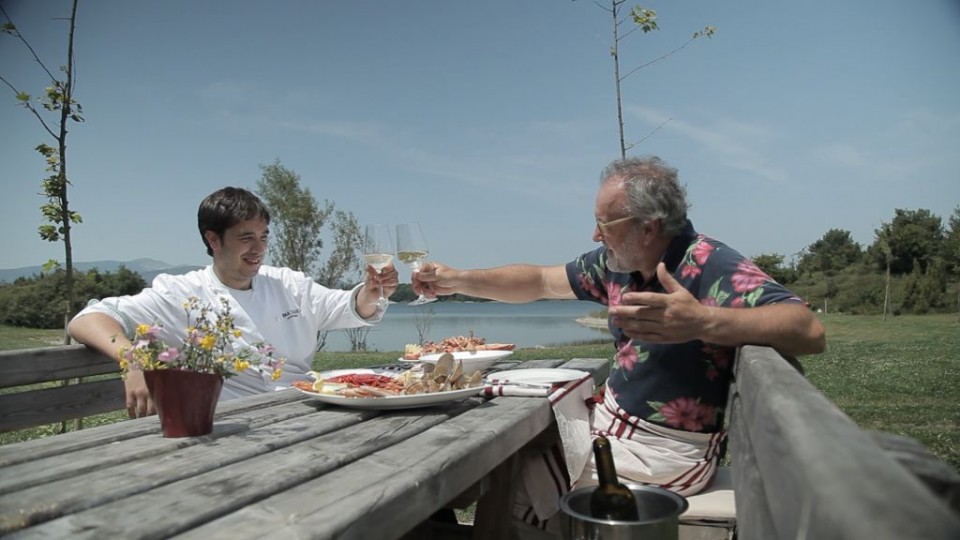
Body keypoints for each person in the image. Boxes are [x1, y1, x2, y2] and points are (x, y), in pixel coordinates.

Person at [414, 156, 825, 532]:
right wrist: (459, 280)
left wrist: (704, 320)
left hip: (667, 454)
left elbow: (808, 329)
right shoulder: (617, 264)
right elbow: (540, 280)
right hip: (613, 430)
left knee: (514, 476)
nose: (595, 234)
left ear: (648, 227)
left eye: (605, 225)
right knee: (491, 453)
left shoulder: (710, 263)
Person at [68, 186, 399, 418]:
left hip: (310, 410)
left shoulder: (288, 284)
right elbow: (89, 318)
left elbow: (349, 308)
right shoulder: (180, 293)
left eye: (264, 236)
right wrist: (134, 361)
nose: (259, 249)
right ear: (213, 240)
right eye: (246, 238)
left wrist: (370, 294)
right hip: (237, 425)